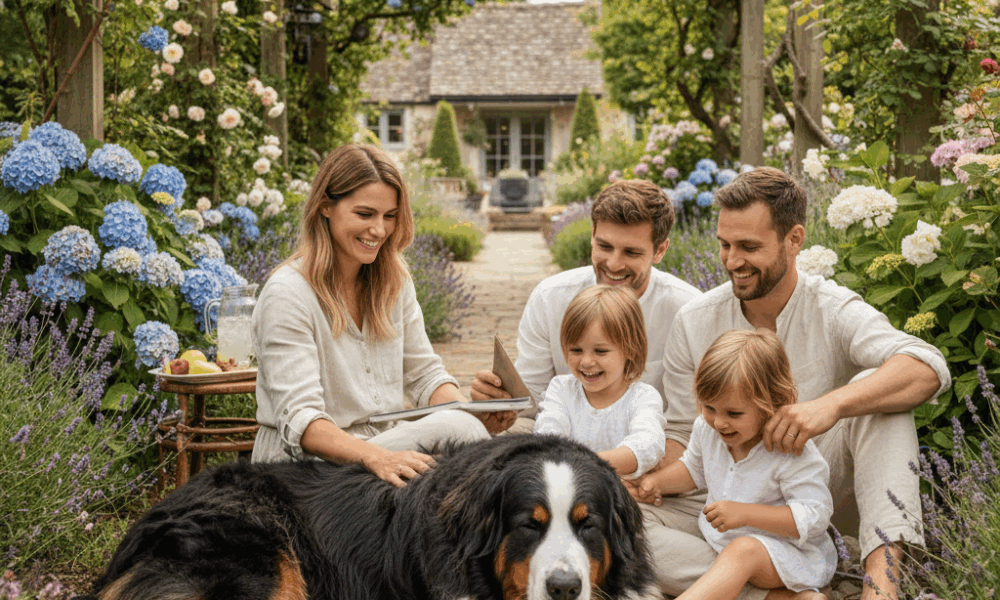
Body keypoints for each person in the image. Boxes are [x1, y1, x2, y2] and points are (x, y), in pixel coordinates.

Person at [635, 166, 950, 600]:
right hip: (723, 501)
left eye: (749, 247)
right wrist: (642, 480)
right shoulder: (696, 320)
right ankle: (771, 591)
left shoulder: (832, 308)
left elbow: (926, 365)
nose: (731, 261)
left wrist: (830, 407)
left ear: (794, 239)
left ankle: (881, 589)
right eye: (725, 245)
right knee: (623, 523)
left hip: (812, 497)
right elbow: (684, 435)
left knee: (881, 403)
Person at [250, 144, 515, 486]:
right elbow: (303, 422)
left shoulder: (393, 280)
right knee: (460, 432)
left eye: (389, 216)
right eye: (365, 214)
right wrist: (379, 456)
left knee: (465, 427)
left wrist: (476, 415)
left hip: (380, 448)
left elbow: (425, 376)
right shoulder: (288, 294)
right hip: (304, 469)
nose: (379, 229)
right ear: (326, 206)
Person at [471, 179, 701, 431]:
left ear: (660, 251)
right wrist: (497, 401)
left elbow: (687, 422)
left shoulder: (687, 310)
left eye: (631, 253)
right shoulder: (550, 298)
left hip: (652, 442)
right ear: (592, 235)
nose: (614, 264)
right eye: (604, 246)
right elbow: (531, 402)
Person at [637, 329, 835, 600]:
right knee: (632, 515)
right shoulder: (708, 430)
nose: (719, 422)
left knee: (744, 550)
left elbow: (815, 516)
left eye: (733, 413)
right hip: (718, 544)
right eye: (709, 408)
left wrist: (745, 514)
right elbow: (694, 469)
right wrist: (655, 483)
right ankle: (773, 598)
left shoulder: (790, 449)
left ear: (773, 403)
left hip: (784, 556)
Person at [534, 284, 666, 477]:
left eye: (601, 351)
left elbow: (647, 446)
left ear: (630, 349)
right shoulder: (561, 389)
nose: (586, 362)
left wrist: (587, 465)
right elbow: (548, 437)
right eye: (576, 350)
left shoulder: (642, 397)